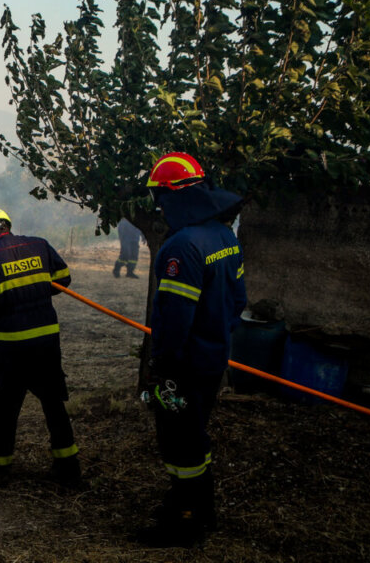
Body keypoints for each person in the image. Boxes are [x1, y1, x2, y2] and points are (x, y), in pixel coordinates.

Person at [137, 152, 247, 548]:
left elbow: (175, 317)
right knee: (194, 433)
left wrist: (162, 363)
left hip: (181, 365)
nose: (159, 208)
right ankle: (203, 507)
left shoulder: (181, 247)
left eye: (160, 199)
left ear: (174, 197)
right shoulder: (224, 235)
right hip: (212, 359)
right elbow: (238, 301)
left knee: (178, 439)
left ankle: (184, 522)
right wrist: (215, 338)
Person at [0, 207, 81, 486]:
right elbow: (63, 278)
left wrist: (0, 308)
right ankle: (68, 467)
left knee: (3, 408)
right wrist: (37, 289)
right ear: (6, 225)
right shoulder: (39, 245)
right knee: (54, 405)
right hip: (47, 342)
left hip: (11, 349)